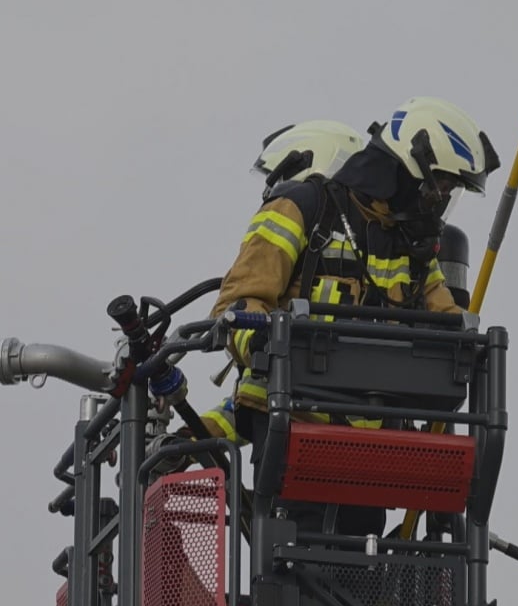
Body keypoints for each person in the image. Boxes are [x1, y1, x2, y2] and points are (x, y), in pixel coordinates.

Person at [207, 96, 501, 535]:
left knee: (359, 562)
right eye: (438, 185)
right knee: (296, 560)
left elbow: (447, 322)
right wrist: (268, 346)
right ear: (406, 167)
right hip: (293, 431)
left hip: (375, 446)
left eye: (448, 192)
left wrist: (465, 352)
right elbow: (240, 303)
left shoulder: (414, 247)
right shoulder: (303, 207)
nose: (440, 200)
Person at [193, 120, 366, 444]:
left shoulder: (296, 215)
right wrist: (191, 439)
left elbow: (270, 392)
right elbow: (254, 397)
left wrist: (255, 340)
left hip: (299, 443)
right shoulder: (381, 262)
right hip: (370, 447)